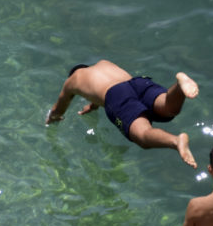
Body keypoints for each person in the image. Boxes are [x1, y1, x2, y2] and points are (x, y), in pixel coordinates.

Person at [45, 60, 199, 167]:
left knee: (143, 136)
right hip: (137, 83)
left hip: (117, 96)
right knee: (168, 108)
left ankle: (175, 141)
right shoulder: (103, 64)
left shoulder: (72, 80)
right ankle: (179, 85)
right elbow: (106, 87)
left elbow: (59, 108)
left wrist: (51, 119)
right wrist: (93, 105)